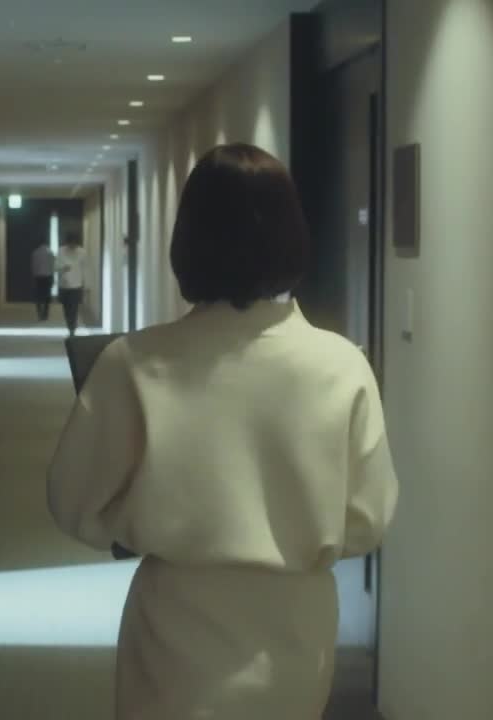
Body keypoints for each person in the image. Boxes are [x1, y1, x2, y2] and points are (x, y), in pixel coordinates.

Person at [46, 144, 398, 720]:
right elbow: (368, 516)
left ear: (187, 241)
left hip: (174, 625)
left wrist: (141, 519)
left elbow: (73, 501)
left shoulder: (134, 362)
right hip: (294, 629)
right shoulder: (341, 365)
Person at [56, 236, 87, 336]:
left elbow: (85, 268)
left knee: (74, 308)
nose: (72, 246)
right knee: (66, 309)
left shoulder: (82, 252)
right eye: (70, 244)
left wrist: (86, 284)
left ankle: (72, 329)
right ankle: (70, 326)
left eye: (74, 244)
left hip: (76, 285)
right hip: (63, 285)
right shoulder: (61, 251)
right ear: (67, 243)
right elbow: (55, 266)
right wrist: (62, 268)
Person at [31, 239, 56, 321]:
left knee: (38, 295)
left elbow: (34, 266)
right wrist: (53, 278)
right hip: (48, 276)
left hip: (38, 277)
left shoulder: (35, 252)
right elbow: (52, 266)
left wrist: (34, 275)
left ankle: (39, 312)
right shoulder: (50, 253)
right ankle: (45, 314)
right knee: (47, 296)